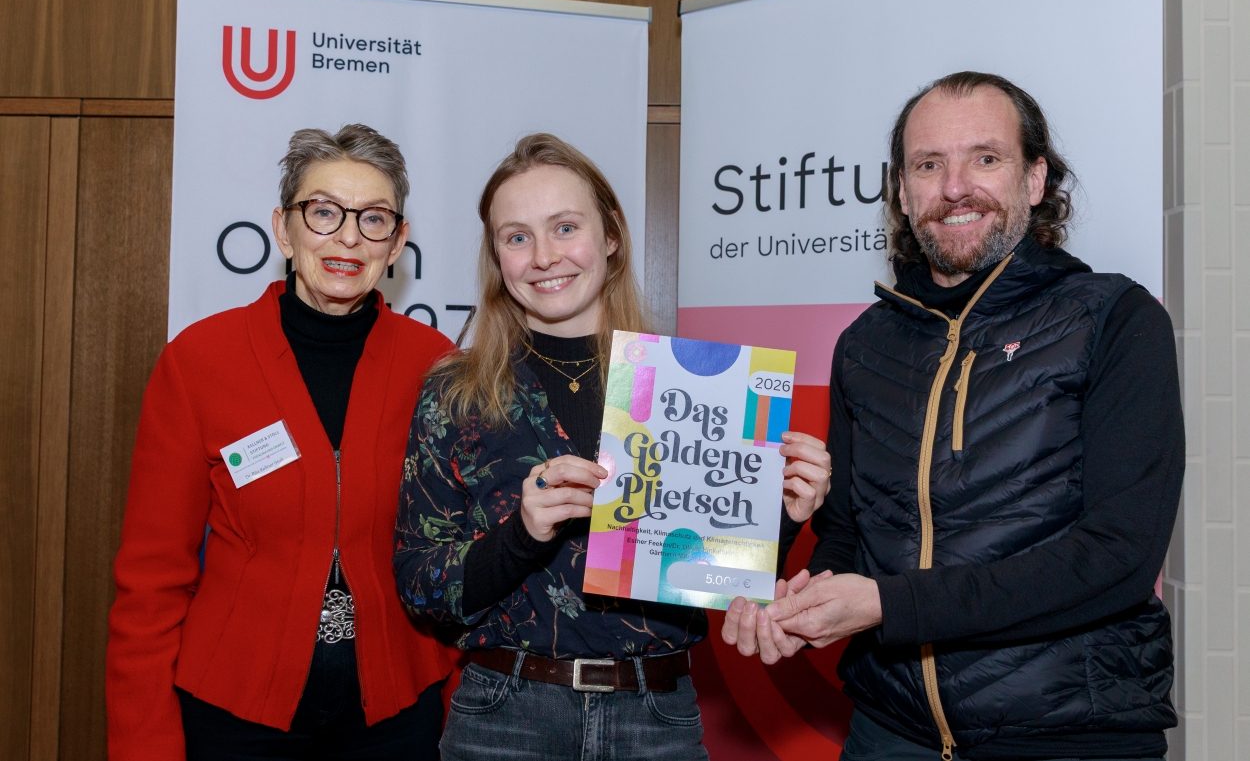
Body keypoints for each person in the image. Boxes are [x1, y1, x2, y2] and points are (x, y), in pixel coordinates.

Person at [722, 72, 1183, 760]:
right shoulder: (865, 345)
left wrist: (889, 605)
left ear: (1035, 178)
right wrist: (801, 607)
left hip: (1068, 737)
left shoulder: (1115, 319)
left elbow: (1119, 556)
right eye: (928, 165)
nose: (956, 187)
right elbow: (847, 534)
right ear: (903, 193)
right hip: (889, 733)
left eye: (985, 158)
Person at [392, 132, 832, 760]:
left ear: (611, 236)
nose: (544, 257)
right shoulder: (455, 393)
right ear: (497, 257)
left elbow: (715, 575)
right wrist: (521, 535)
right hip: (504, 720)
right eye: (517, 237)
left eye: (565, 227)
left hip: (656, 719)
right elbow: (420, 588)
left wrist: (779, 516)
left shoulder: (688, 387)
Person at [107, 125, 455, 760]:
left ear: (397, 242)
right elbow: (151, 581)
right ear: (283, 229)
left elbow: (459, 559)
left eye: (374, 218)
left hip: (398, 717)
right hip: (234, 715)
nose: (348, 237)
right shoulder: (200, 362)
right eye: (323, 212)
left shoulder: (436, 367)